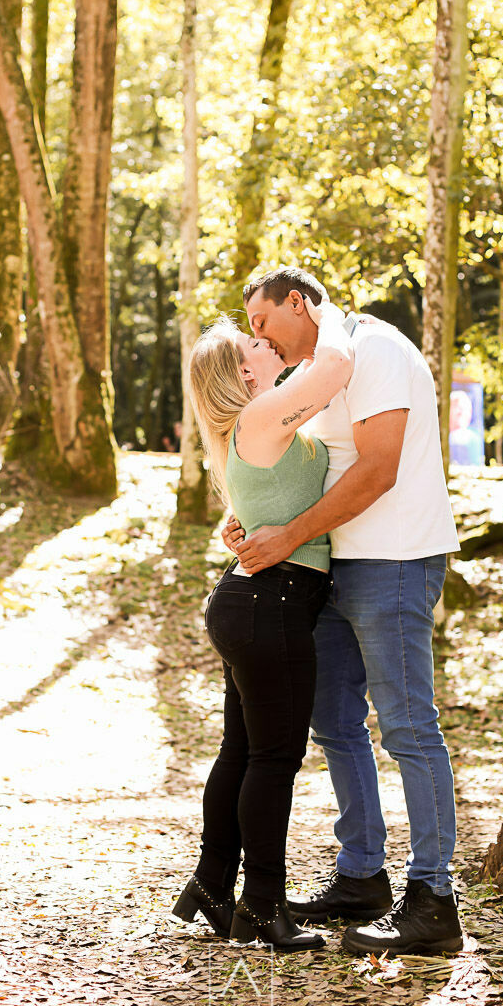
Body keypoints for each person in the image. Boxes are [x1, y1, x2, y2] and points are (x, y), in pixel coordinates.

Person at [224, 267, 463, 957]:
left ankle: (434, 899)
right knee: (333, 722)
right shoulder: (321, 373)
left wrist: (290, 536)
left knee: (409, 727)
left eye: (264, 323)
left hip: (392, 561)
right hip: (334, 567)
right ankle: (362, 878)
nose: (258, 338)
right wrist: (246, 522)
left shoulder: (376, 349)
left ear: (298, 303)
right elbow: (306, 467)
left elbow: (379, 466)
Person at [172, 297, 354, 951]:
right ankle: (263, 907)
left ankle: (214, 885)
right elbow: (333, 365)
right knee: (275, 758)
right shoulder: (262, 412)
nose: (262, 340)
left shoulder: (250, 425)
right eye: (249, 341)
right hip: (269, 605)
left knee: (244, 752)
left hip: (251, 603)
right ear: (243, 374)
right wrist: (324, 308)